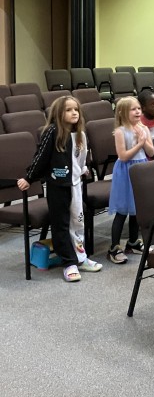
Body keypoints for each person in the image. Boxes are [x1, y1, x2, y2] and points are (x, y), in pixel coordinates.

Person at [17, 96, 102, 282]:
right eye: (69, 110)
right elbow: (41, 158)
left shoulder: (80, 133)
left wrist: (84, 169)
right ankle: (69, 262)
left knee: (78, 222)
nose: (74, 113)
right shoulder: (52, 132)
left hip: (76, 184)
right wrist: (29, 177)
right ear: (58, 113)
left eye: (76, 110)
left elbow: (81, 156)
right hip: (58, 186)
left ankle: (80, 257)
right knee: (61, 224)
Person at [107, 96, 154, 264]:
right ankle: (114, 248)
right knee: (123, 211)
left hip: (141, 168)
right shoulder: (120, 131)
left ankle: (133, 242)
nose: (138, 112)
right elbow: (123, 156)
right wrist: (139, 143)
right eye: (133, 109)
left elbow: (151, 151)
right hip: (126, 171)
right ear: (123, 112)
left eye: (139, 109)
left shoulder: (143, 128)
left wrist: (144, 139)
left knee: (137, 209)